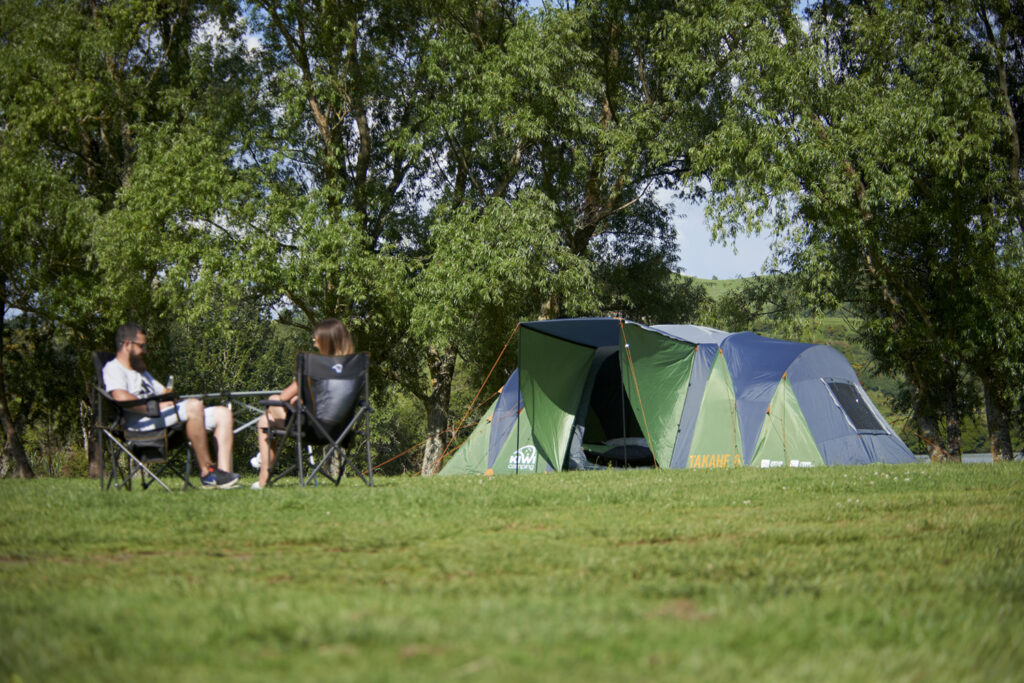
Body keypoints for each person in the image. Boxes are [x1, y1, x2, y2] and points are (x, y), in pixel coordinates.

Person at [103, 323, 241, 489]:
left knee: (223, 413)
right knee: (194, 406)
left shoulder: (140, 372)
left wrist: (158, 387)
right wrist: (155, 407)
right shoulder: (113, 368)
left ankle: (222, 476)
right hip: (143, 425)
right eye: (142, 346)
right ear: (127, 344)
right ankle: (207, 472)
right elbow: (121, 397)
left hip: (162, 418)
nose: (145, 350)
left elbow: (166, 393)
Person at [252, 318, 355, 489]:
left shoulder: (316, 367)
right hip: (341, 430)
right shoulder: (353, 369)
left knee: (273, 402)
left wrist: (296, 398)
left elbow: (284, 397)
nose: (314, 344)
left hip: (313, 430)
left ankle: (264, 474)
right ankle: (262, 476)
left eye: (316, 340)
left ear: (326, 341)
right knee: (265, 421)